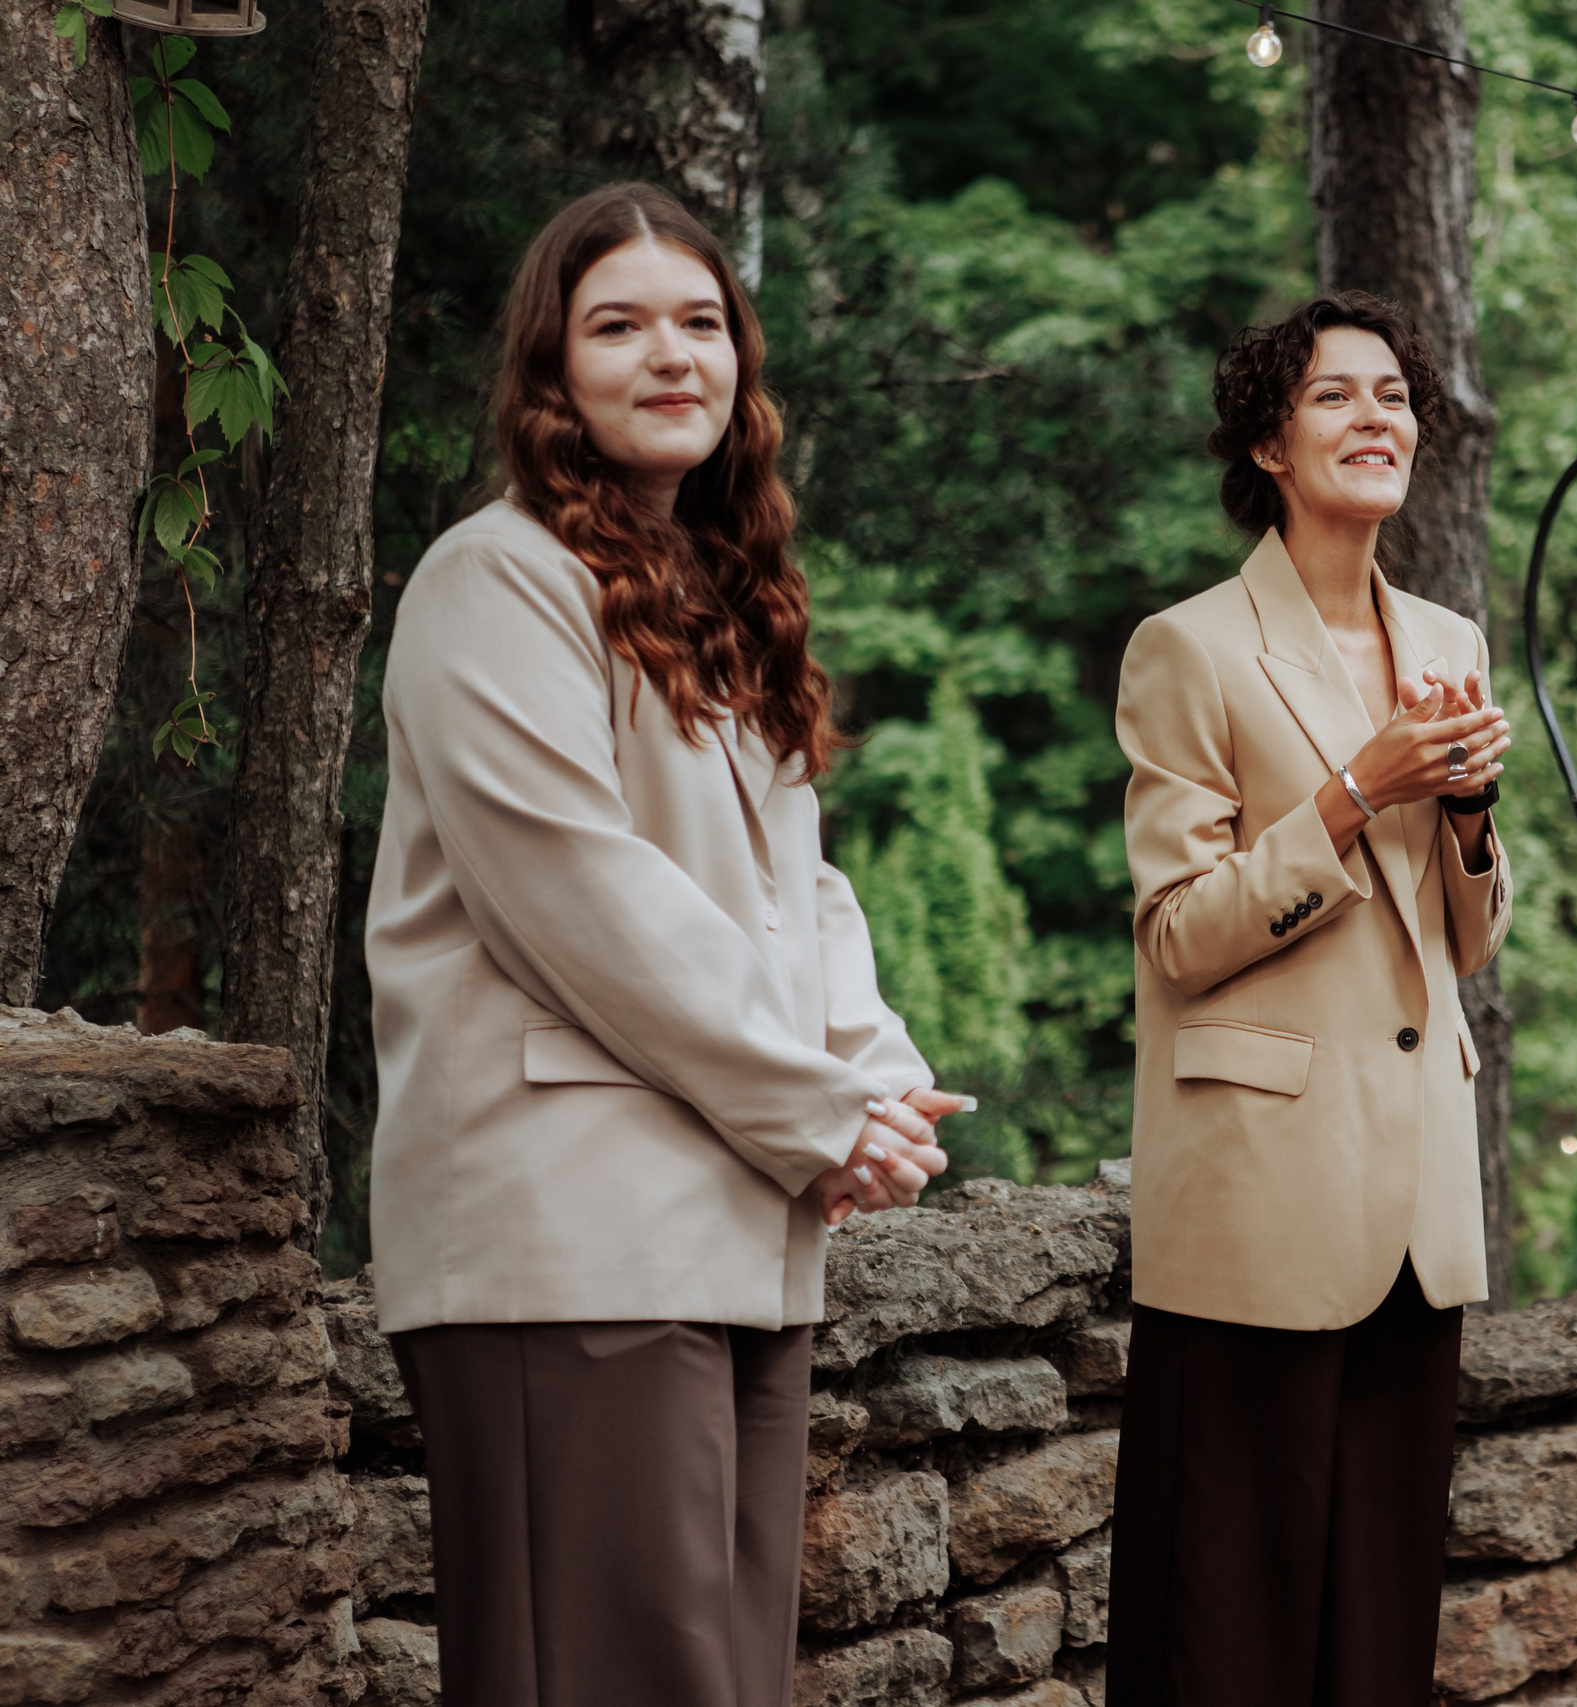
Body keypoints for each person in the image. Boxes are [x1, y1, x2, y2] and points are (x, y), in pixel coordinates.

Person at [363, 183, 955, 1707]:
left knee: (721, 1681)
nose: (670, 354)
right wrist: (824, 1116)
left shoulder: (721, 600)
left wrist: (877, 1081)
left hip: (735, 1235)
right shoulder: (491, 580)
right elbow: (583, 902)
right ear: (551, 373)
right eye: (617, 325)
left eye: (702, 324)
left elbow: (799, 891)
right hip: (566, 1240)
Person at [1106, 292, 1516, 1706]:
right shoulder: (1191, 648)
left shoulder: (1450, 637)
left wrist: (1469, 815)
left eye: (1397, 396)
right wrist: (1358, 794)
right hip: (1257, 1202)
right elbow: (1177, 935)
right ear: (1270, 445)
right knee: (1227, 1630)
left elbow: (1462, 941)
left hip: (1414, 1206)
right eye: (1339, 396)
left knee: (1377, 1641)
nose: (1379, 419)